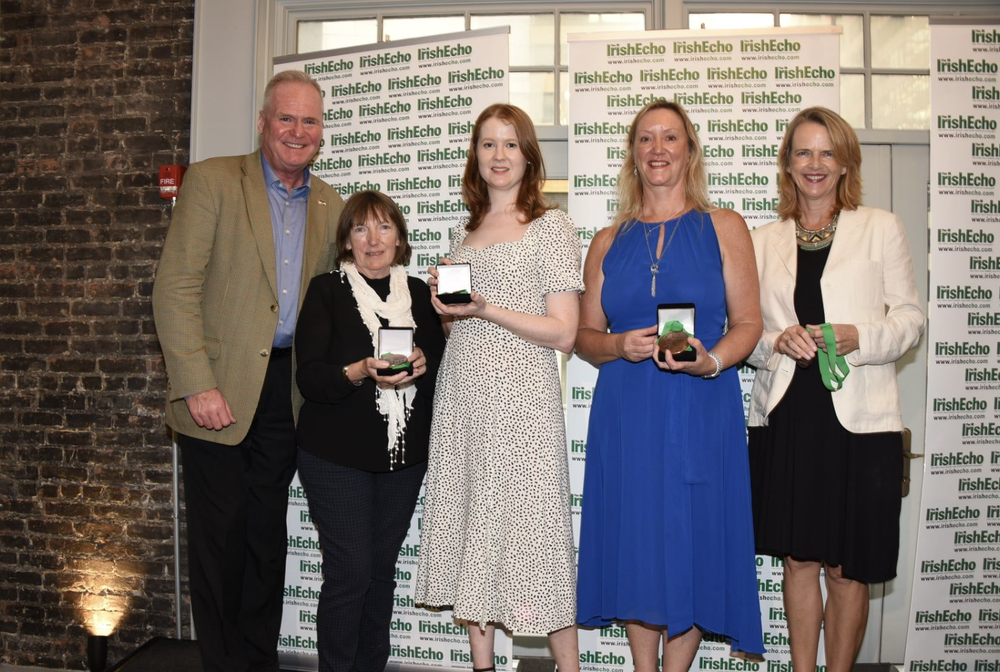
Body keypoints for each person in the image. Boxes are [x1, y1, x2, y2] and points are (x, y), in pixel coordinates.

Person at [152, 70, 344, 672]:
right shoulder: (212, 181)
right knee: (220, 540)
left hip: (286, 397)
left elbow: (340, 303)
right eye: (285, 118)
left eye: (309, 121)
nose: (296, 131)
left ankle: (258, 661)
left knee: (266, 539)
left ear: (321, 133)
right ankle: (223, 664)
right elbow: (173, 288)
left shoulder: (333, 206)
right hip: (218, 387)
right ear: (262, 123)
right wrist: (197, 383)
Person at [574, 99, 765, 669]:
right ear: (632, 155)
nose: (658, 149)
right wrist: (616, 345)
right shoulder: (607, 240)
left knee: (690, 541)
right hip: (627, 412)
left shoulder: (725, 226)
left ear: (689, 151)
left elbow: (749, 323)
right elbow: (584, 336)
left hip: (702, 407)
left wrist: (712, 360)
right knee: (637, 540)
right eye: (646, 139)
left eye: (671, 138)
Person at [746, 106, 923, 672]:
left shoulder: (881, 227)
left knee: (848, 567)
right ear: (788, 164)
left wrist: (857, 336)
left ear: (845, 162)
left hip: (861, 422)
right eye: (803, 152)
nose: (815, 164)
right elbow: (742, 336)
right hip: (791, 414)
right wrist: (776, 341)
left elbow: (911, 320)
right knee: (798, 561)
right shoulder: (761, 240)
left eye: (827, 152)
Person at [414, 103, 583, 672]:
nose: (499, 155)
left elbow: (564, 332)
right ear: (476, 157)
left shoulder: (550, 226)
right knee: (472, 534)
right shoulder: (465, 235)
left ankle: (570, 667)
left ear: (529, 155)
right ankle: (482, 666)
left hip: (523, 405)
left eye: (511, 144)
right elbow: (458, 326)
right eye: (488, 144)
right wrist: (448, 309)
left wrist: (487, 308)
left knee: (537, 541)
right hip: (463, 397)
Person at [294, 190, 445, 672]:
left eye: (383, 227)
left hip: (402, 458)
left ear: (400, 238)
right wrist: (358, 369)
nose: (373, 239)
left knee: (380, 574)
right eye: (361, 228)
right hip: (335, 455)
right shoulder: (326, 290)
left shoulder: (421, 294)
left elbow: (443, 369)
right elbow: (310, 378)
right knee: (350, 574)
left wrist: (423, 362)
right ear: (347, 240)